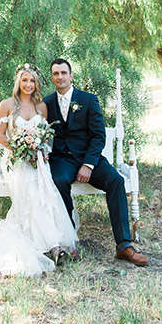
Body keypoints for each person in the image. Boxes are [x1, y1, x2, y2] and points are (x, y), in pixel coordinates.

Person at [0, 64, 79, 276]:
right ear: (18, 82)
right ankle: (51, 246)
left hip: (37, 158)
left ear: (37, 84)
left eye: (32, 81)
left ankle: (53, 243)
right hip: (16, 159)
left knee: (48, 190)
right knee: (30, 187)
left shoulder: (42, 106)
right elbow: (0, 136)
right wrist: (19, 149)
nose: (28, 84)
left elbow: (46, 134)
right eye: (25, 80)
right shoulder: (7, 105)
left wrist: (39, 149)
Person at [44, 58, 149, 266]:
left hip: (89, 158)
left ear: (71, 75)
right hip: (63, 159)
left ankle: (123, 245)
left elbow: (99, 136)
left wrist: (89, 164)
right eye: (55, 74)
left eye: (63, 73)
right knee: (58, 181)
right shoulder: (46, 103)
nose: (60, 77)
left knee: (116, 181)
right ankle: (69, 242)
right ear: (52, 78)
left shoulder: (89, 100)